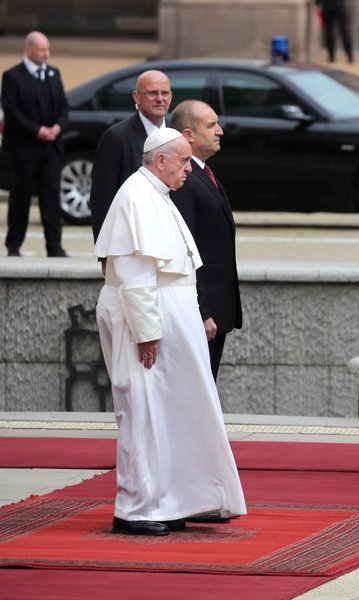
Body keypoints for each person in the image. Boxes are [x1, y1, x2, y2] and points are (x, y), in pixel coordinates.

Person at [94, 127, 246, 536]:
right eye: (182, 162)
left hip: (169, 319)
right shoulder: (135, 196)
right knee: (142, 412)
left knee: (171, 412)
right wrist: (146, 331)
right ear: (160, 160)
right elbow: (133, 274)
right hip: (144, 323)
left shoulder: (156, 193)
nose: (188, 169)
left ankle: (169, 499)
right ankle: (136, 507)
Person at [169, 100, 242, 380]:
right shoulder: (185, 179)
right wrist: (202, 311)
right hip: (202, 313)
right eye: (211, 125)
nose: (220, 131)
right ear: (188, 135)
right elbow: (188, 250)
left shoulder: (201, 172)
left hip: (217, 309)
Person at [1, 31, 69, 257]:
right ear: (29, 50)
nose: (46, 54)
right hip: (24, 149)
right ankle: (14, 245)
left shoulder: (53, 73)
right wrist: (37, 131)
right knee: (21, 196)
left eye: (47, 49)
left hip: (51, 149)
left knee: (51, 196)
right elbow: (12, 112)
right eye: (42, 50)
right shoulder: (12, 76)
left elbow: (63, 107)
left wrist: (57, 128)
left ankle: (54, 246)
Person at [90, 69, 172, 242]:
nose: (160, 98)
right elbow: (102, 198)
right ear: (136, 97)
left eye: (164, 93)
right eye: (152, 93)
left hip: (170, 237)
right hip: (131, 239)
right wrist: (104, 252)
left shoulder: (177, 134)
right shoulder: (116, 137)